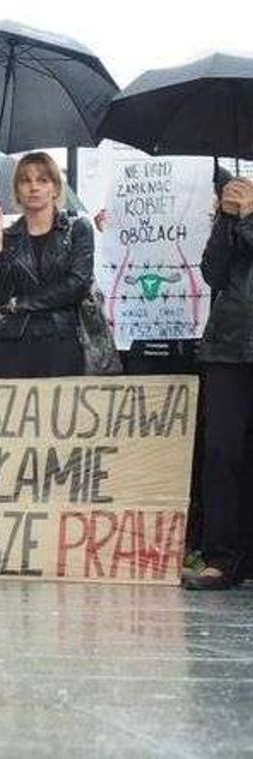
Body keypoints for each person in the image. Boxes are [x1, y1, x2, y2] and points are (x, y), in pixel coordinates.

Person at [184, 175, 253, 590]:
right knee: (222, 451)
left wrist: (247, 219)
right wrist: (227, 220)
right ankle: (222, 557)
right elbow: (213, 273)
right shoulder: (232, 204)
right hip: (228, 344)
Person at [0, 152, 92, 378]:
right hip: (15, 344)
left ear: (55, 188)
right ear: (17, 191)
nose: (34, 187)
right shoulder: (6, 237)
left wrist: (22, 303)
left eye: (43, 180)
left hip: (62, 341)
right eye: (25, 180)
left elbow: (77, 284)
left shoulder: (77, 229)